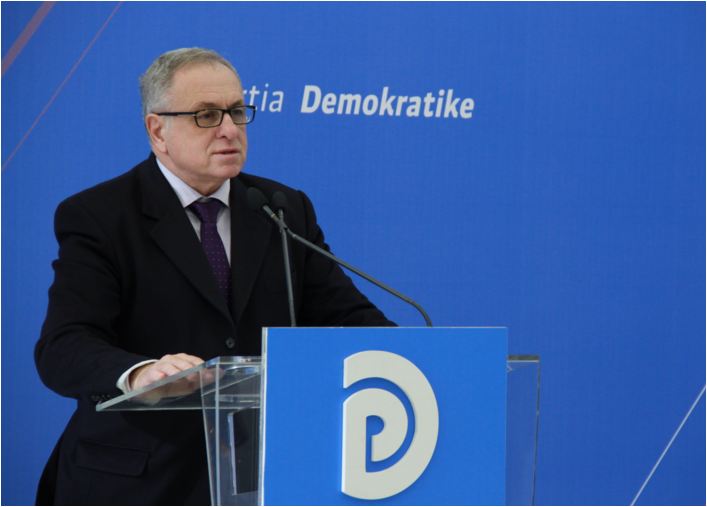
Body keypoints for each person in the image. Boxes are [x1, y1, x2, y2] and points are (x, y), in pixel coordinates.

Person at [34, 47, 393, 505]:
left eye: (237, 112)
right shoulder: (100, 215)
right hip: (136, 481)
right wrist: (140, 373)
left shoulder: (281, 208)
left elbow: (350, 319)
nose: (229, 129)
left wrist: (416, 358)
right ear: (157, 130)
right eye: (206, 115)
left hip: (257, 478)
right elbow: (64, 346)